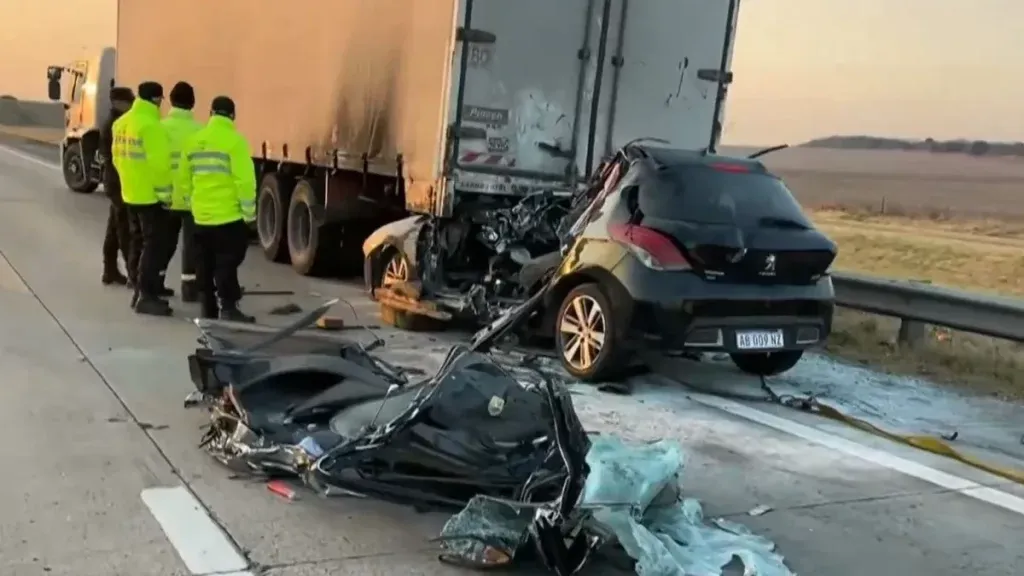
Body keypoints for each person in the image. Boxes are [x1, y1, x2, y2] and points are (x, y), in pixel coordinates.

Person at [178, 95, 256, 322]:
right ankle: (229, 308)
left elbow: (184, 179)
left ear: (211, 113)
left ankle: (207, 309)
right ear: (232, 116)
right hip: (228, 217)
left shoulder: (193, 141)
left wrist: (191, 204)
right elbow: (245, 182)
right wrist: (249, 214)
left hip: (201, 217)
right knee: (226, 263)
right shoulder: (235, 141)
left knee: (204, 263)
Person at [112, 80, 174, 316]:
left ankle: (138, 290)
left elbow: (117, 159)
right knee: (154, 246)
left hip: (130, 193)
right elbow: (160, 167)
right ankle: (146, 296)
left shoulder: (121, 123)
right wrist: (166, 196)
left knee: (137, 241)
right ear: (157, 99)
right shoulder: (151, 126)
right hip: (150, 197)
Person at [160, 81, 202, 302]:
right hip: (191, 198)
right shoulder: (200, 131)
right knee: (192, 245)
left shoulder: (161, 127)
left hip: (165, 196)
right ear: (193, 103)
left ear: (171, 100)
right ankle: (189, 288)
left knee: (163, 243)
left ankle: (157, 282)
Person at [98, 86, 135, 286]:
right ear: (118, 103)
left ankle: (110, 270)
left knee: (114, 228)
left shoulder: (113, 122)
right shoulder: (115, 124)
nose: (131, 105)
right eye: (129, 102)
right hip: (117, 181)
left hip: (114, 181)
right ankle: (132, 273)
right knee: (124, 229)